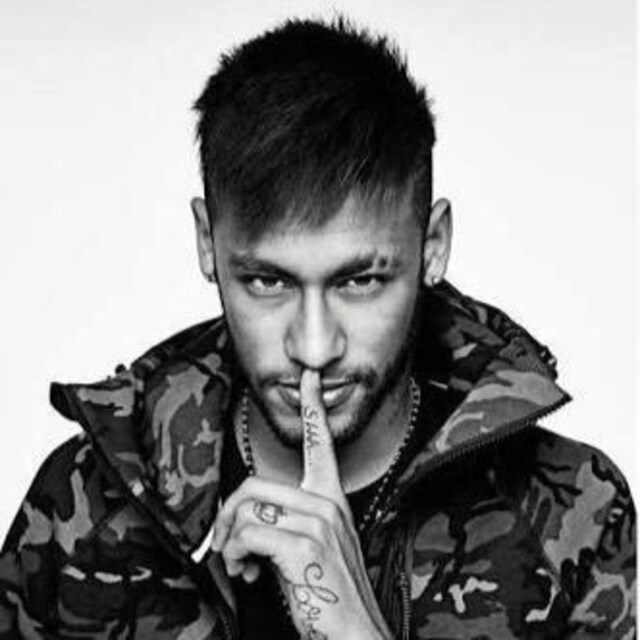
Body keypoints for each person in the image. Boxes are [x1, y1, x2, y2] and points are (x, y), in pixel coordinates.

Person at [0, 16, 635, 640]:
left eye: (359, 281)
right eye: (266, 282)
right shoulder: (85, 504)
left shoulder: (574, 513)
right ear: (207, 242)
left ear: (433, 245)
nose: (312, 347)